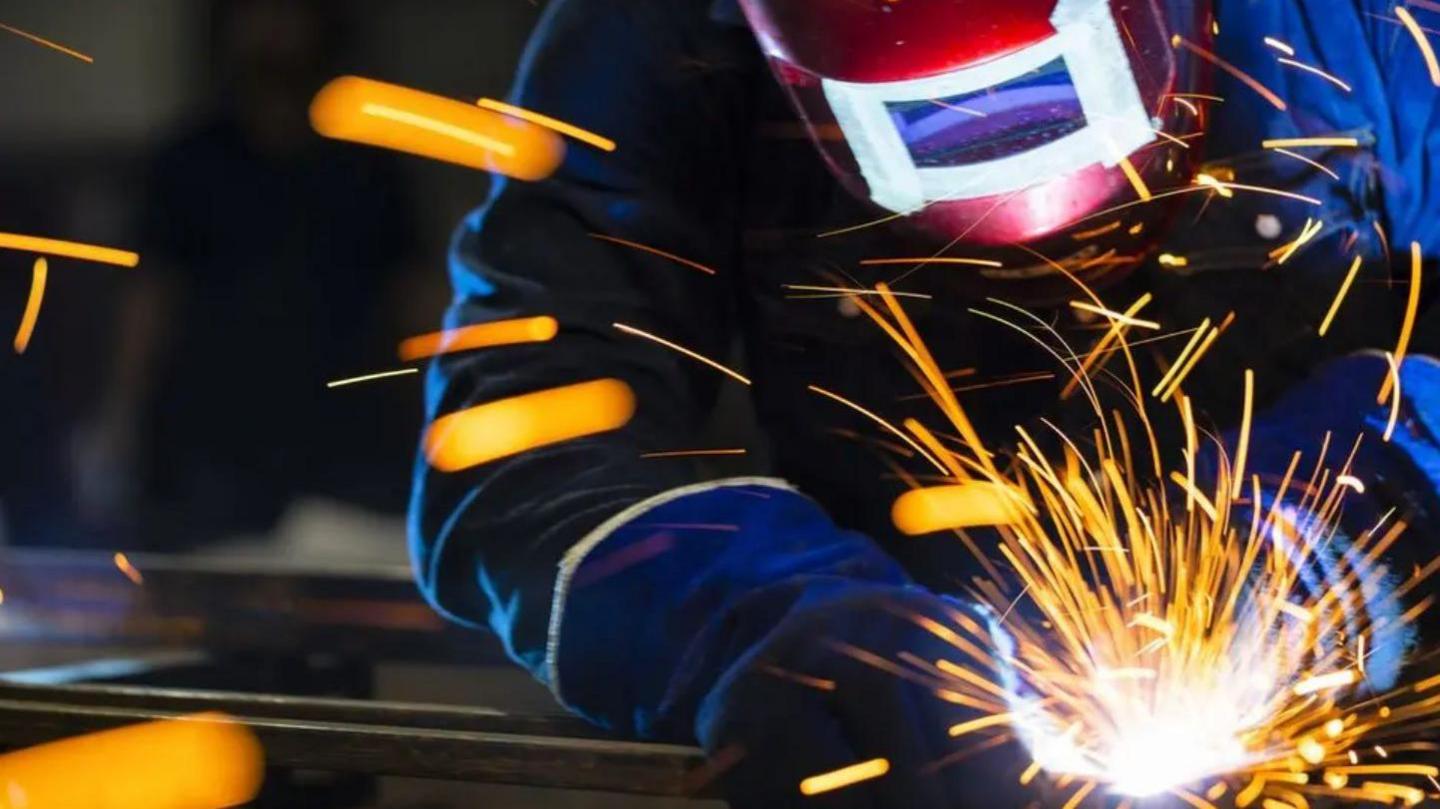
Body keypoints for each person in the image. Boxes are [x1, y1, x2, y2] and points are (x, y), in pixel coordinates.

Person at [411, 1, 1440, 806]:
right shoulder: (658, 36)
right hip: (914, 752)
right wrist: (762, 616)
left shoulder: (1388, 26)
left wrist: (1347, 511)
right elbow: (524, 430)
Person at [73, 0, 419, 549]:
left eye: (289, 15)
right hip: (211, 448)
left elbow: (408, 300)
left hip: (343, 444)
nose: (275, 34)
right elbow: (151, 298)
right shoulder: (188, 161)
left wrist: (427, 410)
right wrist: (119, 422)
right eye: (260, 15)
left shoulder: (367, 167)